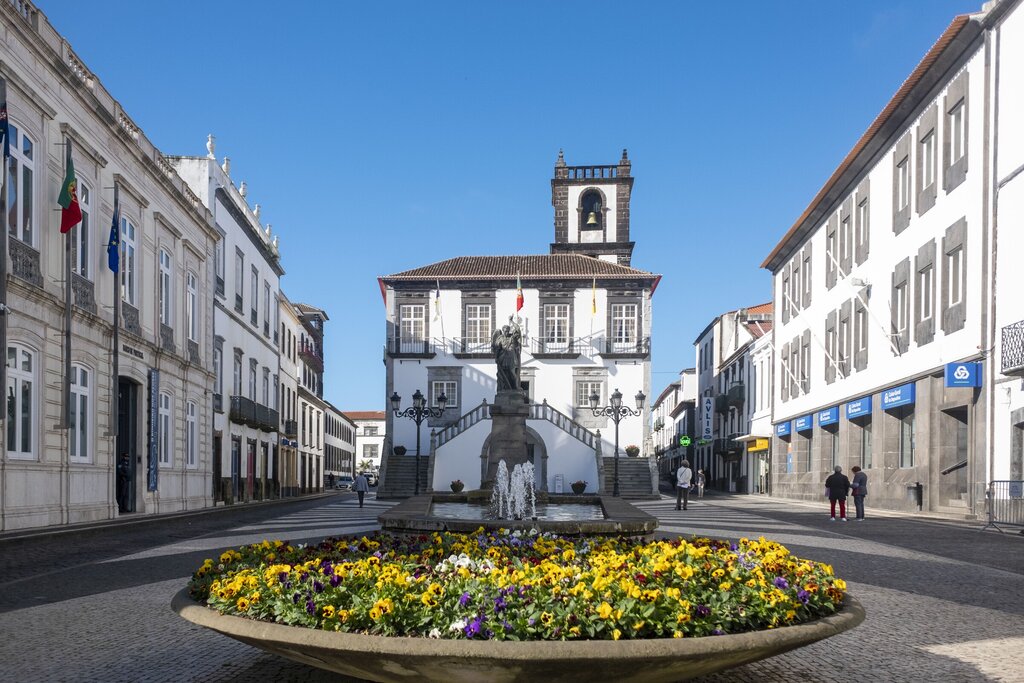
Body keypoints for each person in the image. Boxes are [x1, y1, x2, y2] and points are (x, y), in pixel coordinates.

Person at [491, 317, 522, 392]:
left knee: (512, 373)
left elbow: (518, 329)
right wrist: (496, 358)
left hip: (511, 357)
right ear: (503, 331)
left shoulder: (512, 337)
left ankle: (516, 387)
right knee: (503, 374)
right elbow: (497, 349)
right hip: (503, 358)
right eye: (505, 331)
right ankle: (503, 388)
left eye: (508, 331)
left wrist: (512, 322)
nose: (506, 333)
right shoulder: (500, 339)